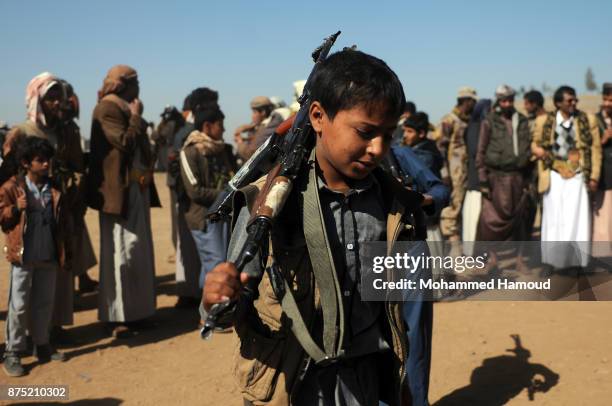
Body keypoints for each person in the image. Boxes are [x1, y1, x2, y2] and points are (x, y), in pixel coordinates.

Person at [203, 49, 421, 406]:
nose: (378, 148)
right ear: (318, 116)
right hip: (289, 381)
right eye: (365, 132)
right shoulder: (268, 201)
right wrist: (219, 298)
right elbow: (238, 297)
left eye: (388, 134)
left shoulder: (391, 204)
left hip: (366, 378)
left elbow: (395, 306)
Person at [2, 73, 97, 344]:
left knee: (59, 276)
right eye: (50, 97)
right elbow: (8, 177)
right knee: (26, 284)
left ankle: (53, 329)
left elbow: (78, 167)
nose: (57, 102)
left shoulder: (67, 132)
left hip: (62, 214)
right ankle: (22, 341)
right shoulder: (22, 133)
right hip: (31, 219)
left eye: (59, 97)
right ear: (37, 99)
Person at [87, 65, 159, 337]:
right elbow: (124, 143)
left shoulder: (124, 107)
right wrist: (137, 118)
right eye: (136, 81)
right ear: (124, 84)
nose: (139, 87)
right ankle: (118, 316)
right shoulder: (107, 108)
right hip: (119, 195)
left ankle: (138, 314)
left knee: (136, 252)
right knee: (120, 253)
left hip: (135, 191)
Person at [391, 111, 450, 405]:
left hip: (409, 248)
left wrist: (419, 199)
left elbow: (439, 190)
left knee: (414, 335)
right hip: (366, 258)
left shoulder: (399, 154)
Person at [1, 137, 66, 377]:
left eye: (48, 159)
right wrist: (16, 208)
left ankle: (42, 344)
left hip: (47, 254)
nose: (46, 164)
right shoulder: (12, 187)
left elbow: (62, 220)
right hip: (23, 256)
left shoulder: (55, 187)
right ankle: (13, 351)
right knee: (18, 306)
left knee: (43, 302)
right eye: (40, 160)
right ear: (26, 163)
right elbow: (3, 218)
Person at [532, 85, 601, 268]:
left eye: (574, 100)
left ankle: (575, 262)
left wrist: (594, 176)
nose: (573, 103)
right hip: (554, 175)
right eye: (569, 100)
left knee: (576, 219)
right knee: (554, 218)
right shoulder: (544, 122)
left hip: (577, 177)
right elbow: (535, 144)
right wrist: (540, 152)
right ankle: (553, 262)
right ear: (558, 103)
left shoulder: (586, 120)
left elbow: (595, 150)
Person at [179, 104, 236, 304]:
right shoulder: (190, 152)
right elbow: (194, 191)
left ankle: (209, 312)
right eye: (220, 125)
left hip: (221, 216)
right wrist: (225, 193)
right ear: (207, 126)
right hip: (203, 219)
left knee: (215, 263)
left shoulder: (222, 150)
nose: (223, 129)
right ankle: (214, 312)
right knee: (216, 264)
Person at [170, 88, 219, 307]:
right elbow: (193, 187)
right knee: (202, 257)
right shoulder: (189, 139)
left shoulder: (212, 144)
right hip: (195, 207)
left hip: (205, 208)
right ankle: (196, 301)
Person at [476, 85, 532, 242]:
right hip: (496, 178)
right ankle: (494, 258)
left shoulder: (521, 120)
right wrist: (483, 180)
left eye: (510, 100)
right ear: (499, 101)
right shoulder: (489, 121)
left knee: (521, 217)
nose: (507, 104)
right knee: (490, 219)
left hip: (518, 177)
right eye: (504, 101)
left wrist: (528, 177)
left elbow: (527, 148)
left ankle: (520, 259)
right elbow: (480, 152)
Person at [436, 87, 477, 241]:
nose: (474, 104)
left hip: (466, 171)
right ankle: (452, 242)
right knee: (454, 205)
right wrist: (445, 173)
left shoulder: (468, 121)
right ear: (466, 101)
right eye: (472, 101)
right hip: (454, 172)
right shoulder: (449, 120)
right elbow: (440, 148)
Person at [462, 98, 492, 246]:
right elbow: (475, 151)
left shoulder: (483, 126)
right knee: (473, 218)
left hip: (483, 178)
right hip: (476, 180)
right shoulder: (475, 127)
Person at [593, 82, 612, 248]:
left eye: (610, 100)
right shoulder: (595, 120)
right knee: (603, 219)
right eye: (605, 99)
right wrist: (604, 139)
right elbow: (590, 148)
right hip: (604, 178)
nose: (607, 103)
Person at [233, 96, 276, 161]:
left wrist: (240, 143)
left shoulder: (269, 127)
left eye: (254, 112)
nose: (252, 116)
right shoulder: (260, 126)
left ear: (263, 112)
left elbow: (253, 154)